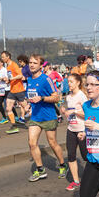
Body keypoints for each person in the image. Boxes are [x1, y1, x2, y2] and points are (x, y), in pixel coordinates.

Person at [26, 54, 67, 182]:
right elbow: (31, 96)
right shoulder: (29, 80)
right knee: (32, 143)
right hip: (35, 117)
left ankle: (62, 165)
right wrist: (28, 104)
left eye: (34, 63)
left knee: (52, 143)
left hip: (48, 116)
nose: (31, 65)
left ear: (40, 65)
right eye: (30, 62)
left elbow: (57, 97)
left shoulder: (46, 79)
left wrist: (42, 98)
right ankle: (40, 170)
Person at [60, 73, 88, 191]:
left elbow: (88, 114)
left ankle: (95, 175)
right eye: (68, 82)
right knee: (71, 155)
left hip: (82, 130)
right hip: (71, 129)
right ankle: (76, 181)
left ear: (78, 82)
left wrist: (75, 112)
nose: (69, 84)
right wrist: (64, 111)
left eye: (71, 82)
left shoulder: (82, 96)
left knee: (86, 156)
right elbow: (70, 112)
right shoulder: (69, 97)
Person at [1, 51, 29, 134]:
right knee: (8, 108)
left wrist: (11, 79)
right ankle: (14, 126)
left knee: (27, 108)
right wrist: (7, 81)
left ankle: (39, 119)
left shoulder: (14, 65)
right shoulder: (8, 67)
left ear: (8, 57)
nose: (2, 58)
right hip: (12, 90)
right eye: (1, 57)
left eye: (3, 57)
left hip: (19, 90)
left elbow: (20, 76)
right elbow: (12, 78)